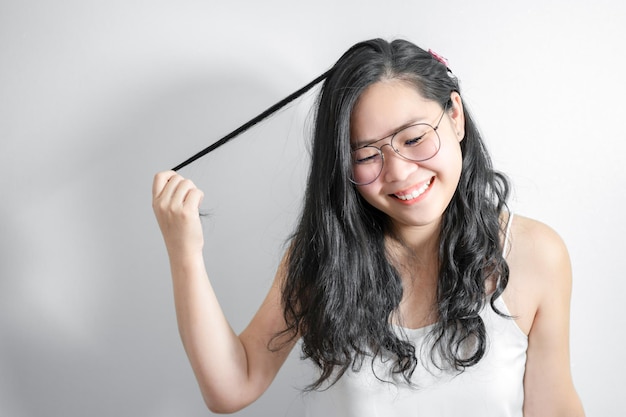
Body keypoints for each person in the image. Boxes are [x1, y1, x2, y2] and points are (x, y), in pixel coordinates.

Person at [152, 38, 585, 416]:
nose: (398, 172)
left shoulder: (536, 254)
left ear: (455, 115)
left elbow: (554, 408)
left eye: (414, 139)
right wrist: (184, 252)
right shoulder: (326, 255)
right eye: (366, 155)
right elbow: (234, 385)